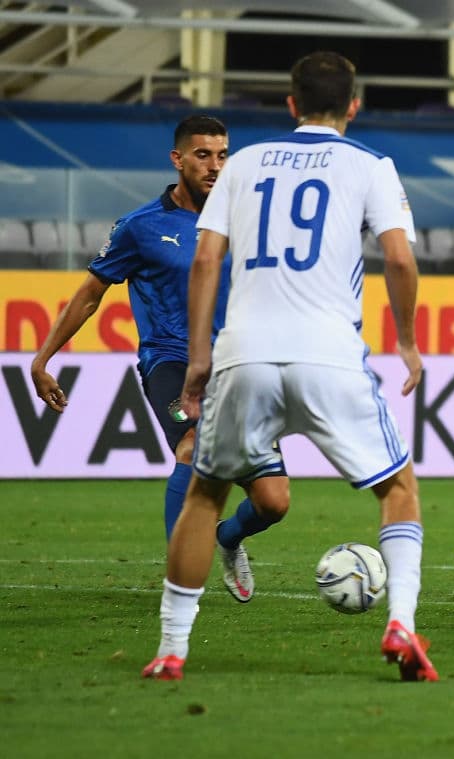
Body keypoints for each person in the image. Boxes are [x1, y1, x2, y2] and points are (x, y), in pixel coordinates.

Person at [142, 51, 437, 683]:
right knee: (397, 488)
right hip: (329, 353)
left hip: (244, 353)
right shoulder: (370, 167)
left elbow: (203, 265)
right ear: (353, 106)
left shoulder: (242, 165)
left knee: (204, 494)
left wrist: (199, 360)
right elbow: (401, 262)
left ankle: (171, 649)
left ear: (290, 103)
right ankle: (403, 625)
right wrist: (408, 343)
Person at [30, 115, 281, 604]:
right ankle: (180, 580)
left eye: (223, 154)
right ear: (178, 158)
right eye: (203, 154)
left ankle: (228, 538)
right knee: (191, 443)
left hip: (234, 364)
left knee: (272, 502)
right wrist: (42, 360)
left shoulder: (244, 219)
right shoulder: (141, 227)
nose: (215, 165)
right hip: (169, 363)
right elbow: (88, 295)